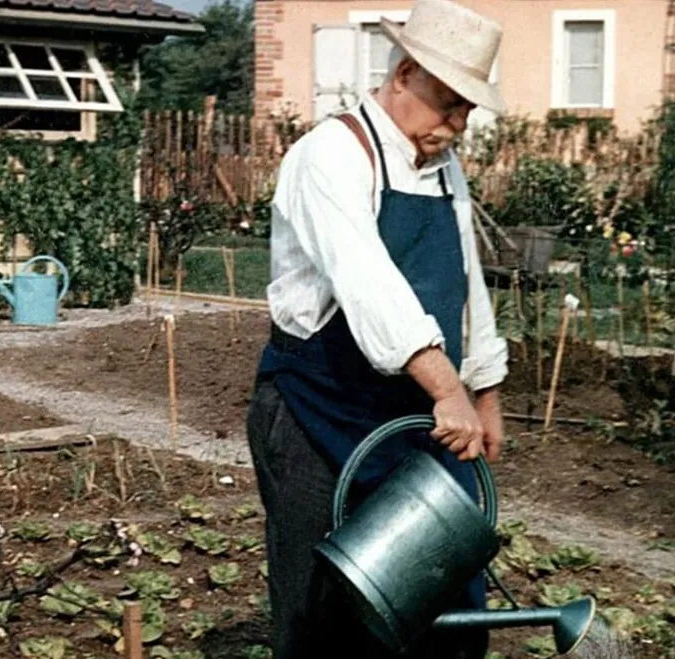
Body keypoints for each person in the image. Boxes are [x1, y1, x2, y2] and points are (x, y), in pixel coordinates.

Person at [244, 0, 509, 657]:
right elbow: (370, 285)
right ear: (404, 75)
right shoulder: (330, 155)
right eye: (448, 102)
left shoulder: (446, 172)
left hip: (414, 418)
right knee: (322, 612)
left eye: (467, 110)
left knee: (443, 597)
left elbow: (467, 283)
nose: (457, 123)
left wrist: (485, 389)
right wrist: (447, 387)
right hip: (318, 411)